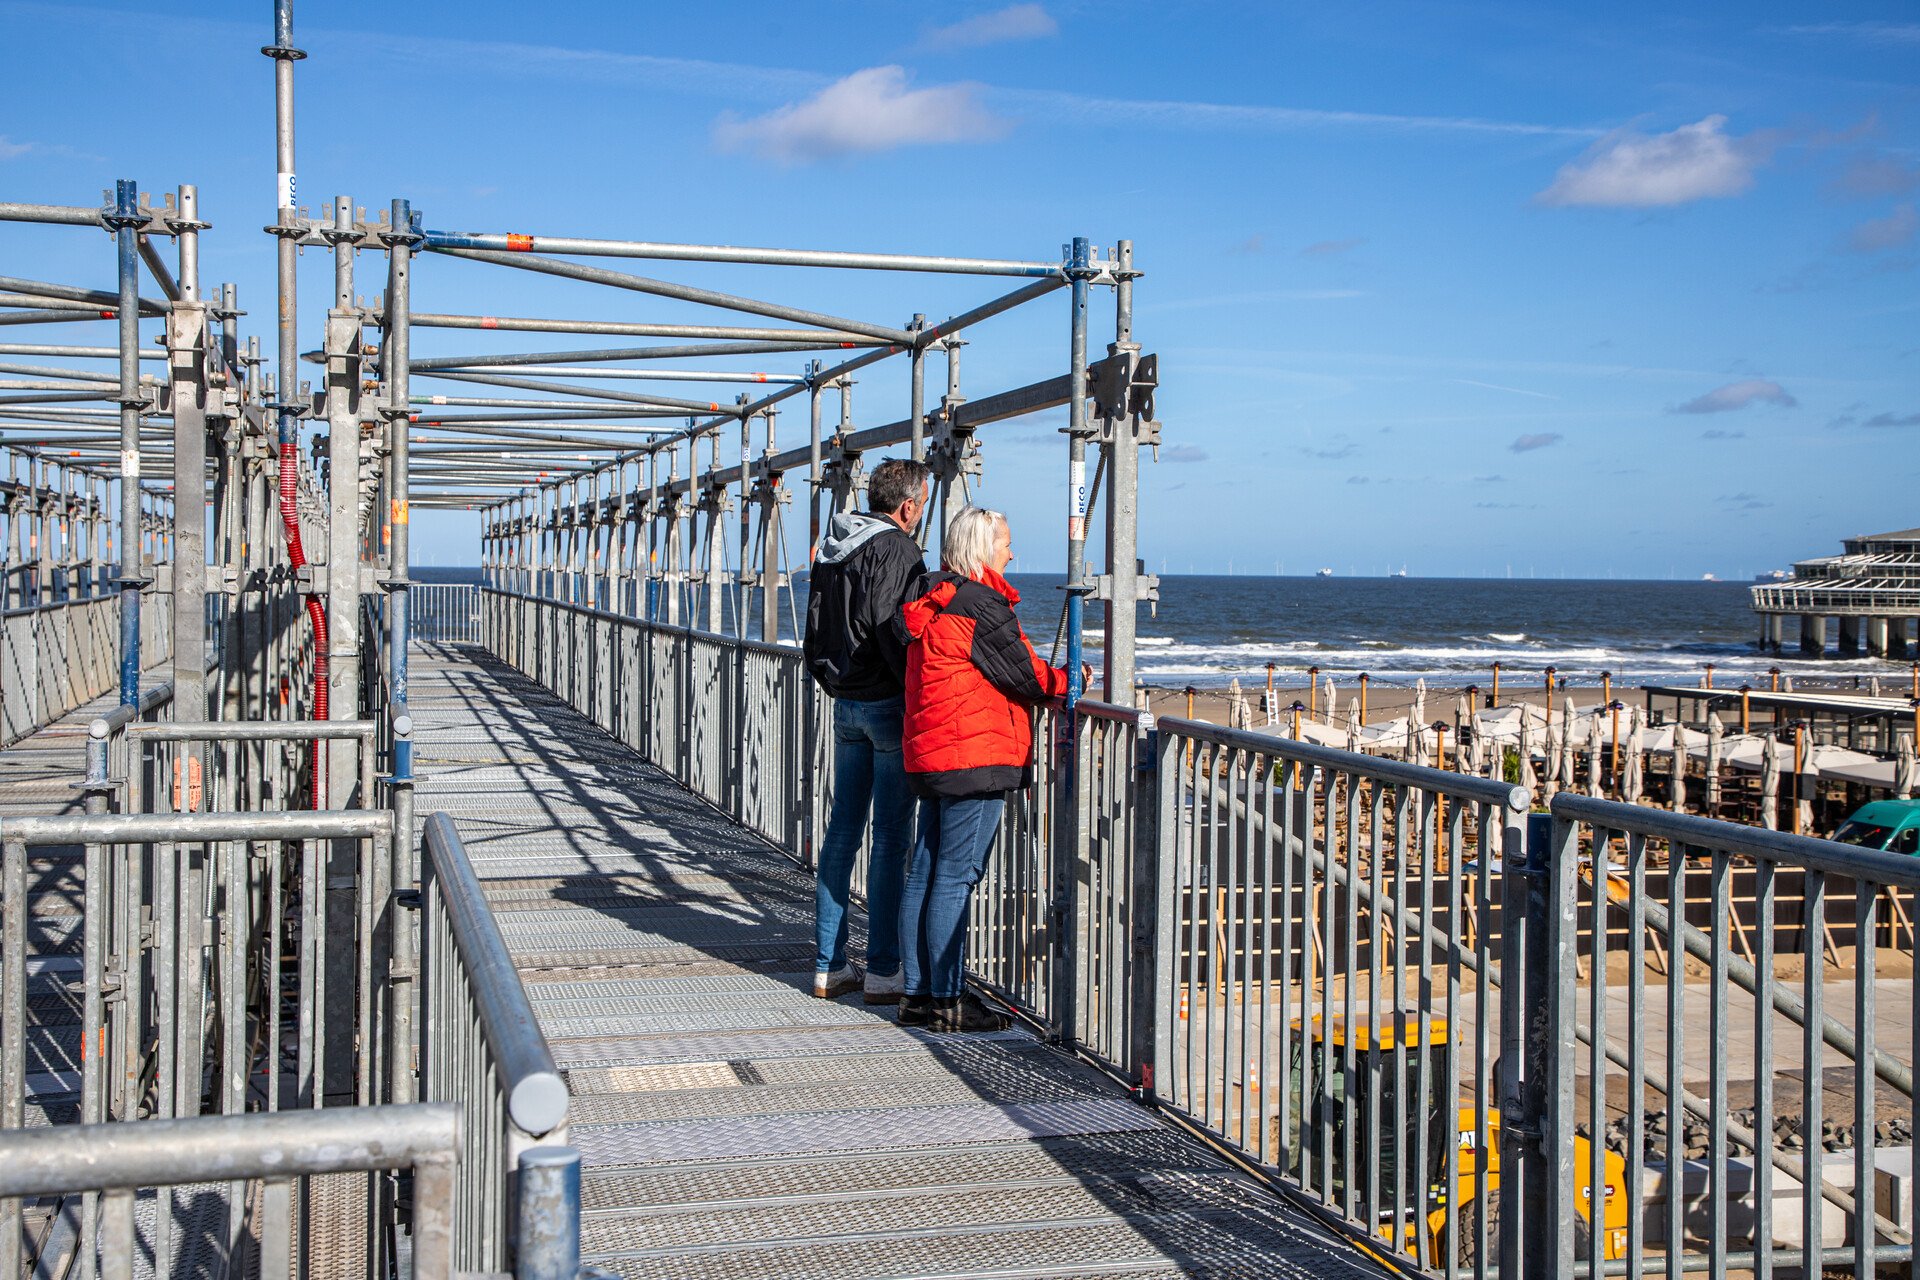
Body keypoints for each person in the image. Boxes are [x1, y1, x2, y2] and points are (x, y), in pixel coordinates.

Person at [895, 506, 1079, 1032]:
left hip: (933, 752)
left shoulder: (932, 601)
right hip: (975, 756)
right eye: (1005, 543)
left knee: (926, 873)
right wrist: (1074, 679)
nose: (1012, 553)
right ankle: (949, 1001)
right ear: (983, 548)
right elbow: (1026, 676)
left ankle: (916, 993)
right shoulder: (981, 605)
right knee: (957, 876)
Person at [802, 457, 930, 1003]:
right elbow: (893, 626)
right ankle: (882, 969)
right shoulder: (897, 548)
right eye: (921, 505)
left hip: (845, 702)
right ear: (907, 507)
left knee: (842, 831)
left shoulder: (836, 543)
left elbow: (815, 624)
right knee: (891, 839)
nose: (920, 515)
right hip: (886, 704)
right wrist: (913, 688)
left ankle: (829, 966)